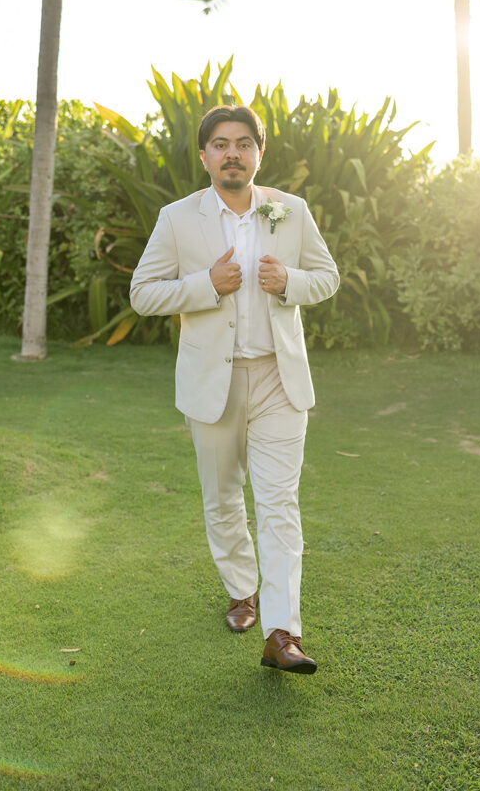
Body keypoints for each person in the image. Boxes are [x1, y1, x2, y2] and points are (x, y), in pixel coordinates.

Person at [130, 104, 339, 674]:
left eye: (244, 143)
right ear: (204, 156)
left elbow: (327, 275)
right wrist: (206, 285)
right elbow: (143, 293)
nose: (232, 153)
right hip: (212, 381)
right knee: (224, 498)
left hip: (278, 377)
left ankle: (282, 632)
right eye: (220, 144)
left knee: (278, 504)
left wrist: (289, 281)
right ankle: (241, 590)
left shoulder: (289, 211)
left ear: (258, 153)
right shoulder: (177, 219)